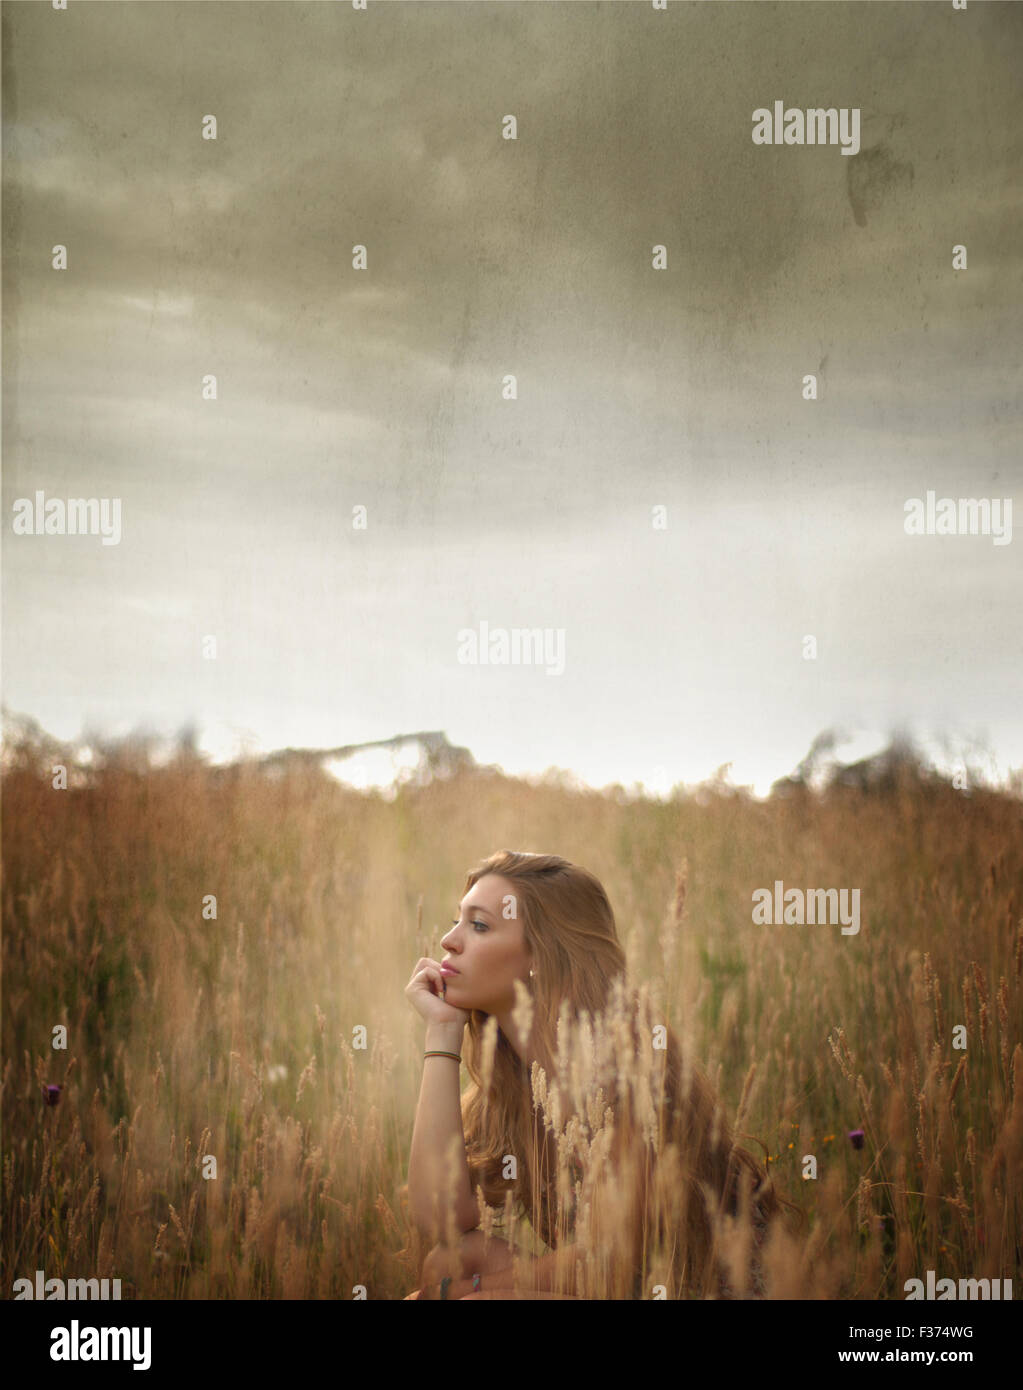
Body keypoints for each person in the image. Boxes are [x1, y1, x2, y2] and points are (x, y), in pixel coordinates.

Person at [401, 850, 794, 1300]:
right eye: (456, 921)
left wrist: (467, 1293)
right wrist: (443, 1032)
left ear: (541, 956)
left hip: (698, 1289)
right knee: (449, 1260)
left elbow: (612, 1263)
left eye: (479, 925)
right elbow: (441, 1219)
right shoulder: (513, 1079)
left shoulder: (625, 1066)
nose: (449, 941)